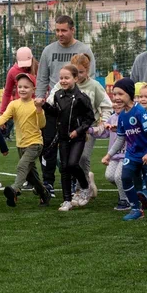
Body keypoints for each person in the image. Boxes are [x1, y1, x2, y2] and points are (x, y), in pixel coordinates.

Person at [36, 16, 96, 194]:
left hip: (73, 109)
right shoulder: (48, 50)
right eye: (57, 30)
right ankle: (48, 182)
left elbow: (88, 78)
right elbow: (42, 79)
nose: (60, 34)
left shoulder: (84, 49)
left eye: (63, 30)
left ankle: (72, 183)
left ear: (72, 30)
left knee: (68, 150)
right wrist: (40, 103)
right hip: (53, 105)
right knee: (47, 146)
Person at [101, 78, 147, 221]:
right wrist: (109, 155)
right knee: (125, 178)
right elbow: (121, 138)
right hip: (132, 154)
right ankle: (136, 209)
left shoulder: (139, 112)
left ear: (129, 94)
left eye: (120, 94)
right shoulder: (121, 115)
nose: (116, 97)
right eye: (114, 94)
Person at [0, 72, 50, 208]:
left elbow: (42, 124)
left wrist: (39, 109)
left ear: (33, 89)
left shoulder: (36, 104)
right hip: (21, 144)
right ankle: (44, 193)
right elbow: (4, 117)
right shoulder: (14, 104)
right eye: (20, 86)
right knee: (30, 176)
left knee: (22, 166)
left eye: (26, 87)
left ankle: (15, 190)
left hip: (35, 143)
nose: (22, 89)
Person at [43, 64, 97, 211]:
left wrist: (78, 131)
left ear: (75, 78)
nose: (63, 81)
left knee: (73, 164)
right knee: (65, 168)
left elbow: (89, 118)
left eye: (67, 78)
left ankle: (85, 186)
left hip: (77, 138)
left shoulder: (81, 97)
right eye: (61, 78)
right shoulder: (58, 95)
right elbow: (56, 113)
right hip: (63, 137)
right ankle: (67, 200)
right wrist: (45, 106)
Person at [72, 53, 112, 202]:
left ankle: (82, 189)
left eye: (81, 72)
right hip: (70, 129)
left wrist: (104, 122)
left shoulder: (94, 86)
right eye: (74, 72)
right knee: (64, 160)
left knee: (82, 157)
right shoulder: (66, 82)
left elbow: (107, 105)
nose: (78, 75)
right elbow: (53, 99)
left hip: (88, 129)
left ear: (87, 71)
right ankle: (87, 179)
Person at [1, 46, 37, 114]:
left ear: (32, 59)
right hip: (21, 109)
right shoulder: (13, 71)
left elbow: (45, 87)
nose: (25, 66)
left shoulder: (38, 68)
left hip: (36, 107)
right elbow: (7, 92)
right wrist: (2, 111)